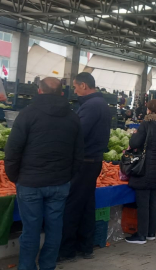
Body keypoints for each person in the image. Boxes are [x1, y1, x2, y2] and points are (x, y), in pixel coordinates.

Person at [5, 78, 83, 270]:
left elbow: (13, 149)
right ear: (62, 93)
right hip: (59, 183)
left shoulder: (27, 114)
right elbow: (79, 153)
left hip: (30, 183)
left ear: (39, 91)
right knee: (54, 229)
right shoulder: (73, 117)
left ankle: (26, 267)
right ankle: (48, 266)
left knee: (30, 230)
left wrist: (15, 176)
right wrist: (68, 176)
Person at [59, 72, 111, 260]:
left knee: (72, 206)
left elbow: (78, 132)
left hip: (84, 161)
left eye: (75, 86)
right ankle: (86, 247)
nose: (74, 90)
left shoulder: (91, 106)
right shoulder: (101, 104)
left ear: (83, 85)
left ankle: (67, 251)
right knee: (87, 204)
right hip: (94, 160)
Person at [125, 100, 156, 244]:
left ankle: (141, 235)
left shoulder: (147, 124)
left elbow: (135, 143)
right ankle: (150, 233)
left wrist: (135, 134)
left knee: (143, 202)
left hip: (145, 166)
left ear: (149, 111)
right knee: (153, 201)